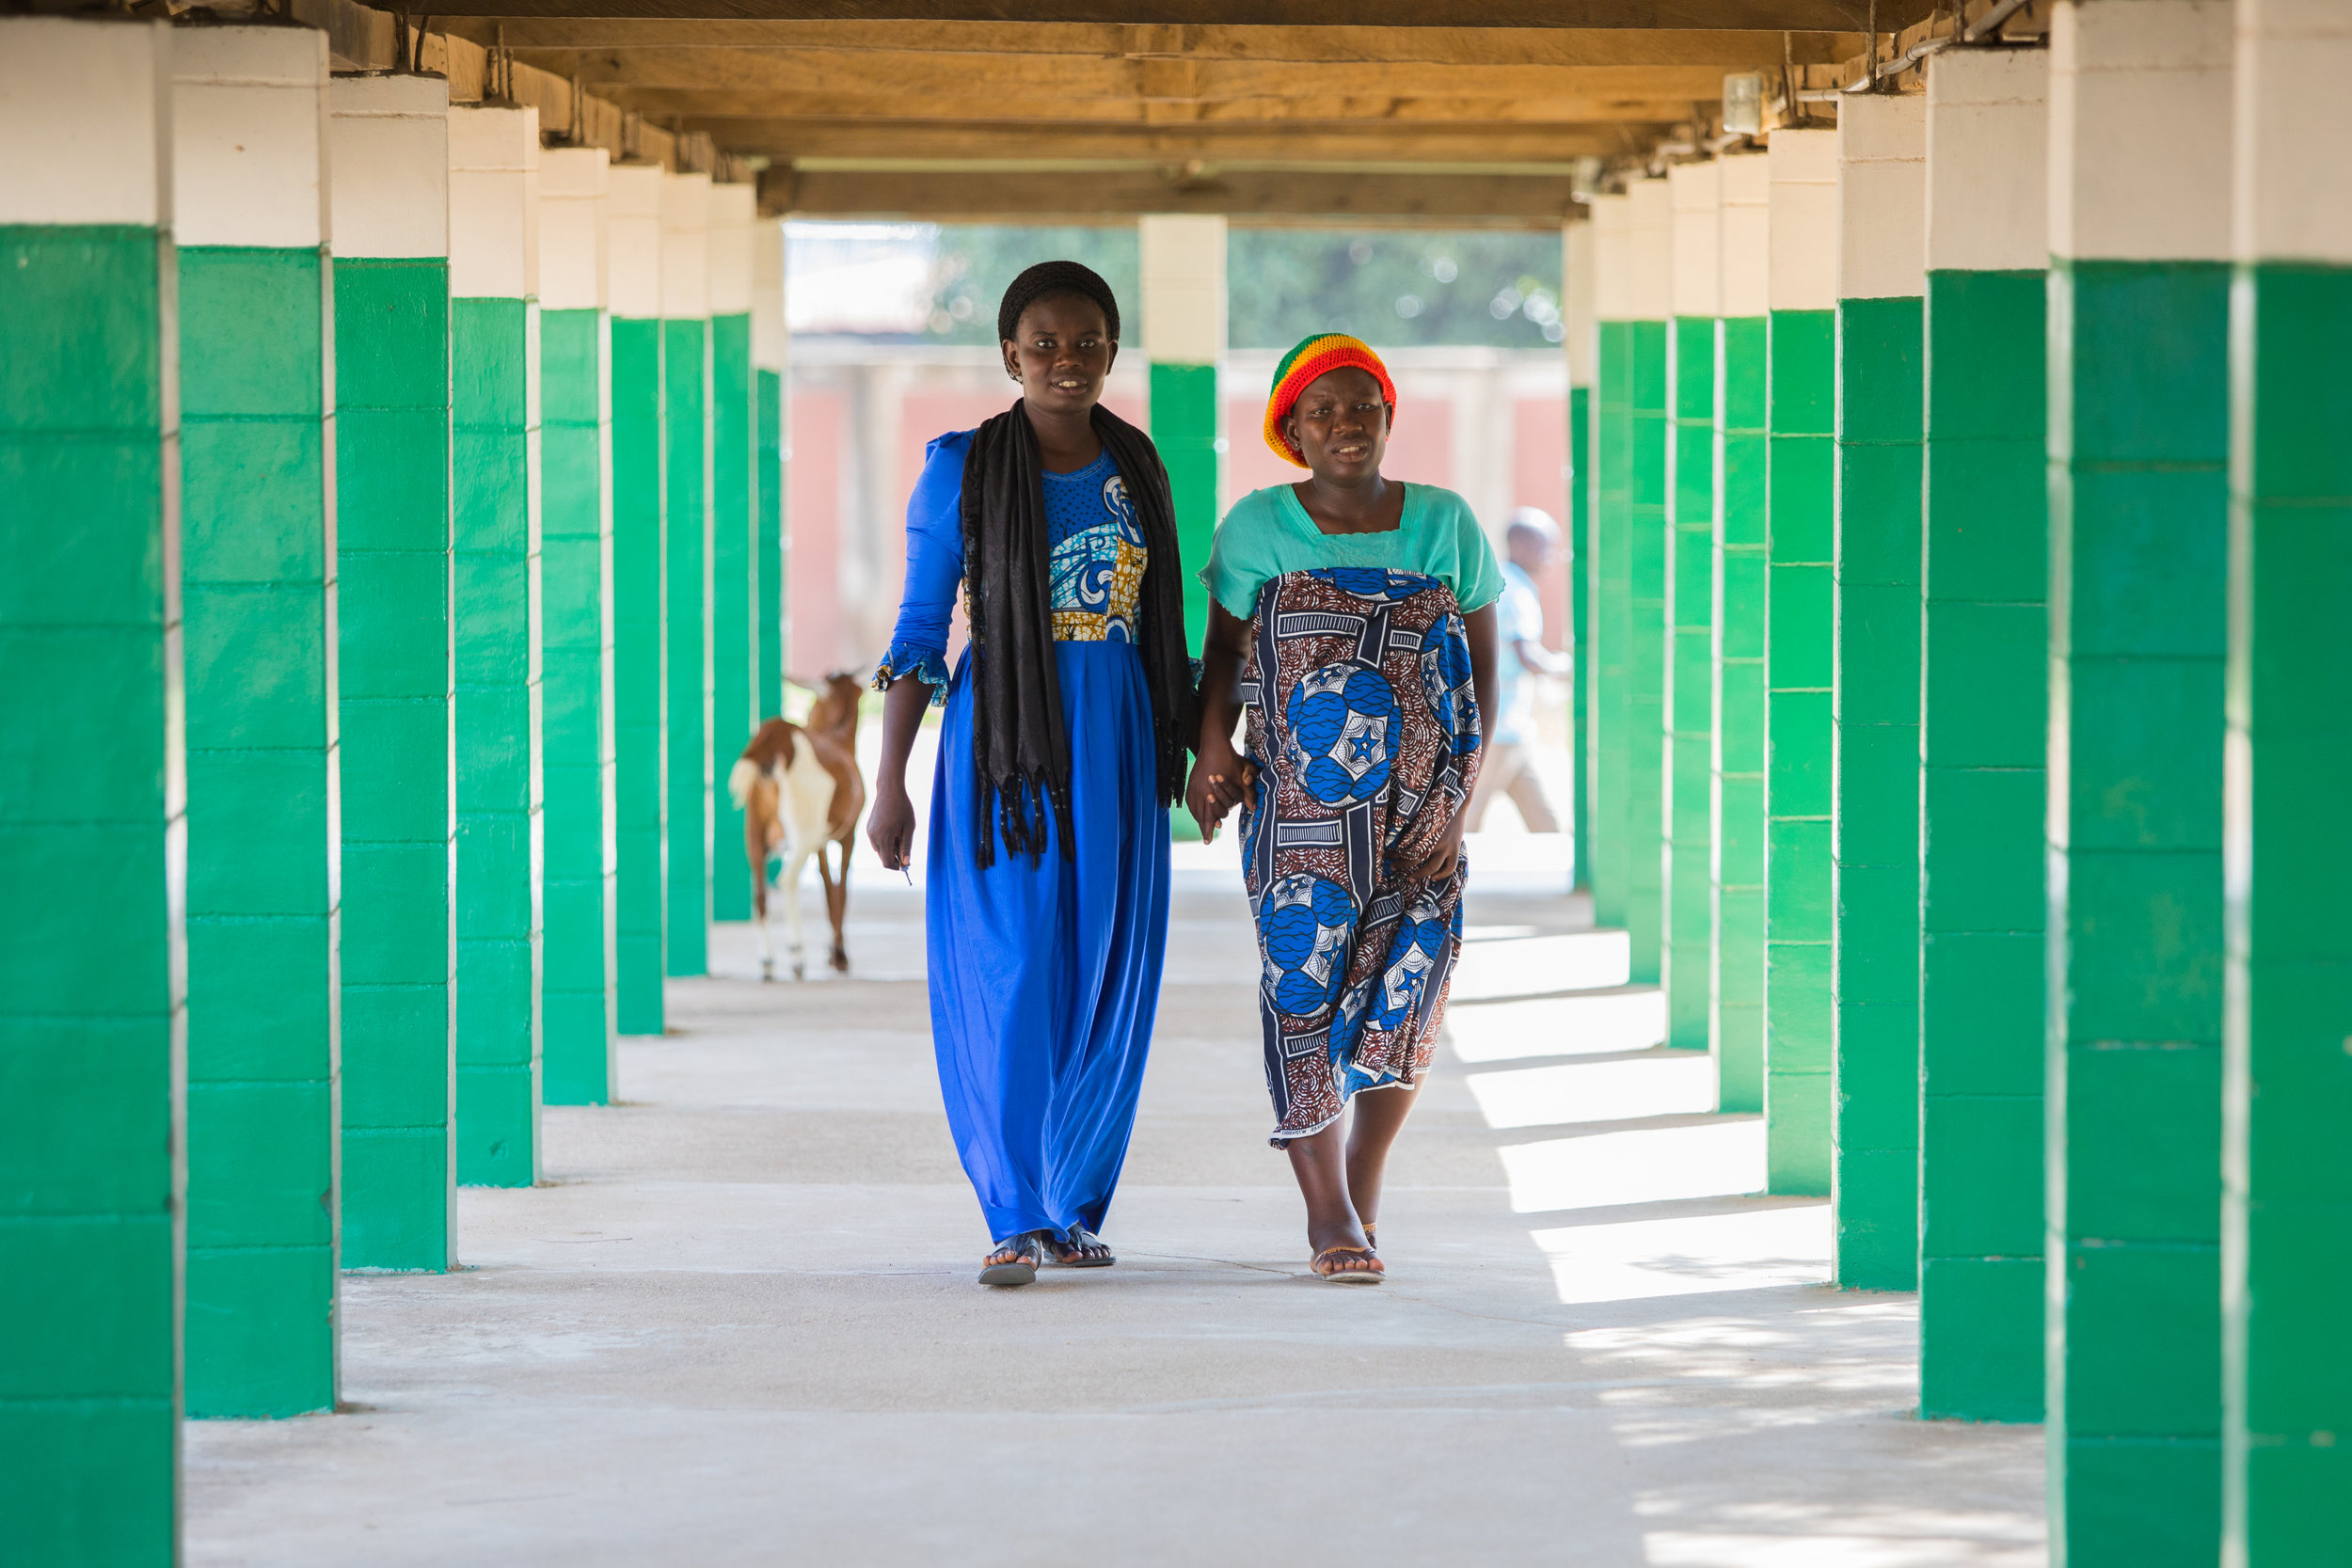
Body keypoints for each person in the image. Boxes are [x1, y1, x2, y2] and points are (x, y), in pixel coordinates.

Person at [866, 261, 1196, 1289]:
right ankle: (1010, 1207)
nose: (1065, 359)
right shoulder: (960, 468)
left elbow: (1160, 624)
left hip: (1119, 744)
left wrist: (1200, 744)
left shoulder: (1136, 465)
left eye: (1086, 340)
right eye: (1042, 343)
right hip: (1002, 752)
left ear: (1111, 350)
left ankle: (1070, 1203)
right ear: (1009, 355)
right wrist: (890, 779)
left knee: (1101, 980)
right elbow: (922, 630)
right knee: (1011, 974)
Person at [1187, 334, 1500, 1285]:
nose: (1343, 426)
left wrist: (1458, 800)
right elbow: (1222, 658)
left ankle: (1364, 1176)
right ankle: (1328, 1215)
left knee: (1405, 989)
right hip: (1298, 813)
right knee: (1301, 989)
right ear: (1290, 428)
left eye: (1360, 406)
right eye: (1319, 411)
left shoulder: (1446, 524)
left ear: (1388, 416)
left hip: (1421, 811)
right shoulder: (1255, 528)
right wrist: (1209, 750)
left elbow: (1481, 671)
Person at [1464, 507, 1567, 833]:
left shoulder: (1503, 582)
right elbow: (1528, 655)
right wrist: (1566, 669)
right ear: (1521, 546)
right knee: (1466, 817)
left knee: (1543, 818)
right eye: (1544, 548)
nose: (1550, 557)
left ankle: (1560, 860)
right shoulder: (1517, 591)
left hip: (1512, 726)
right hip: (1500, 727)